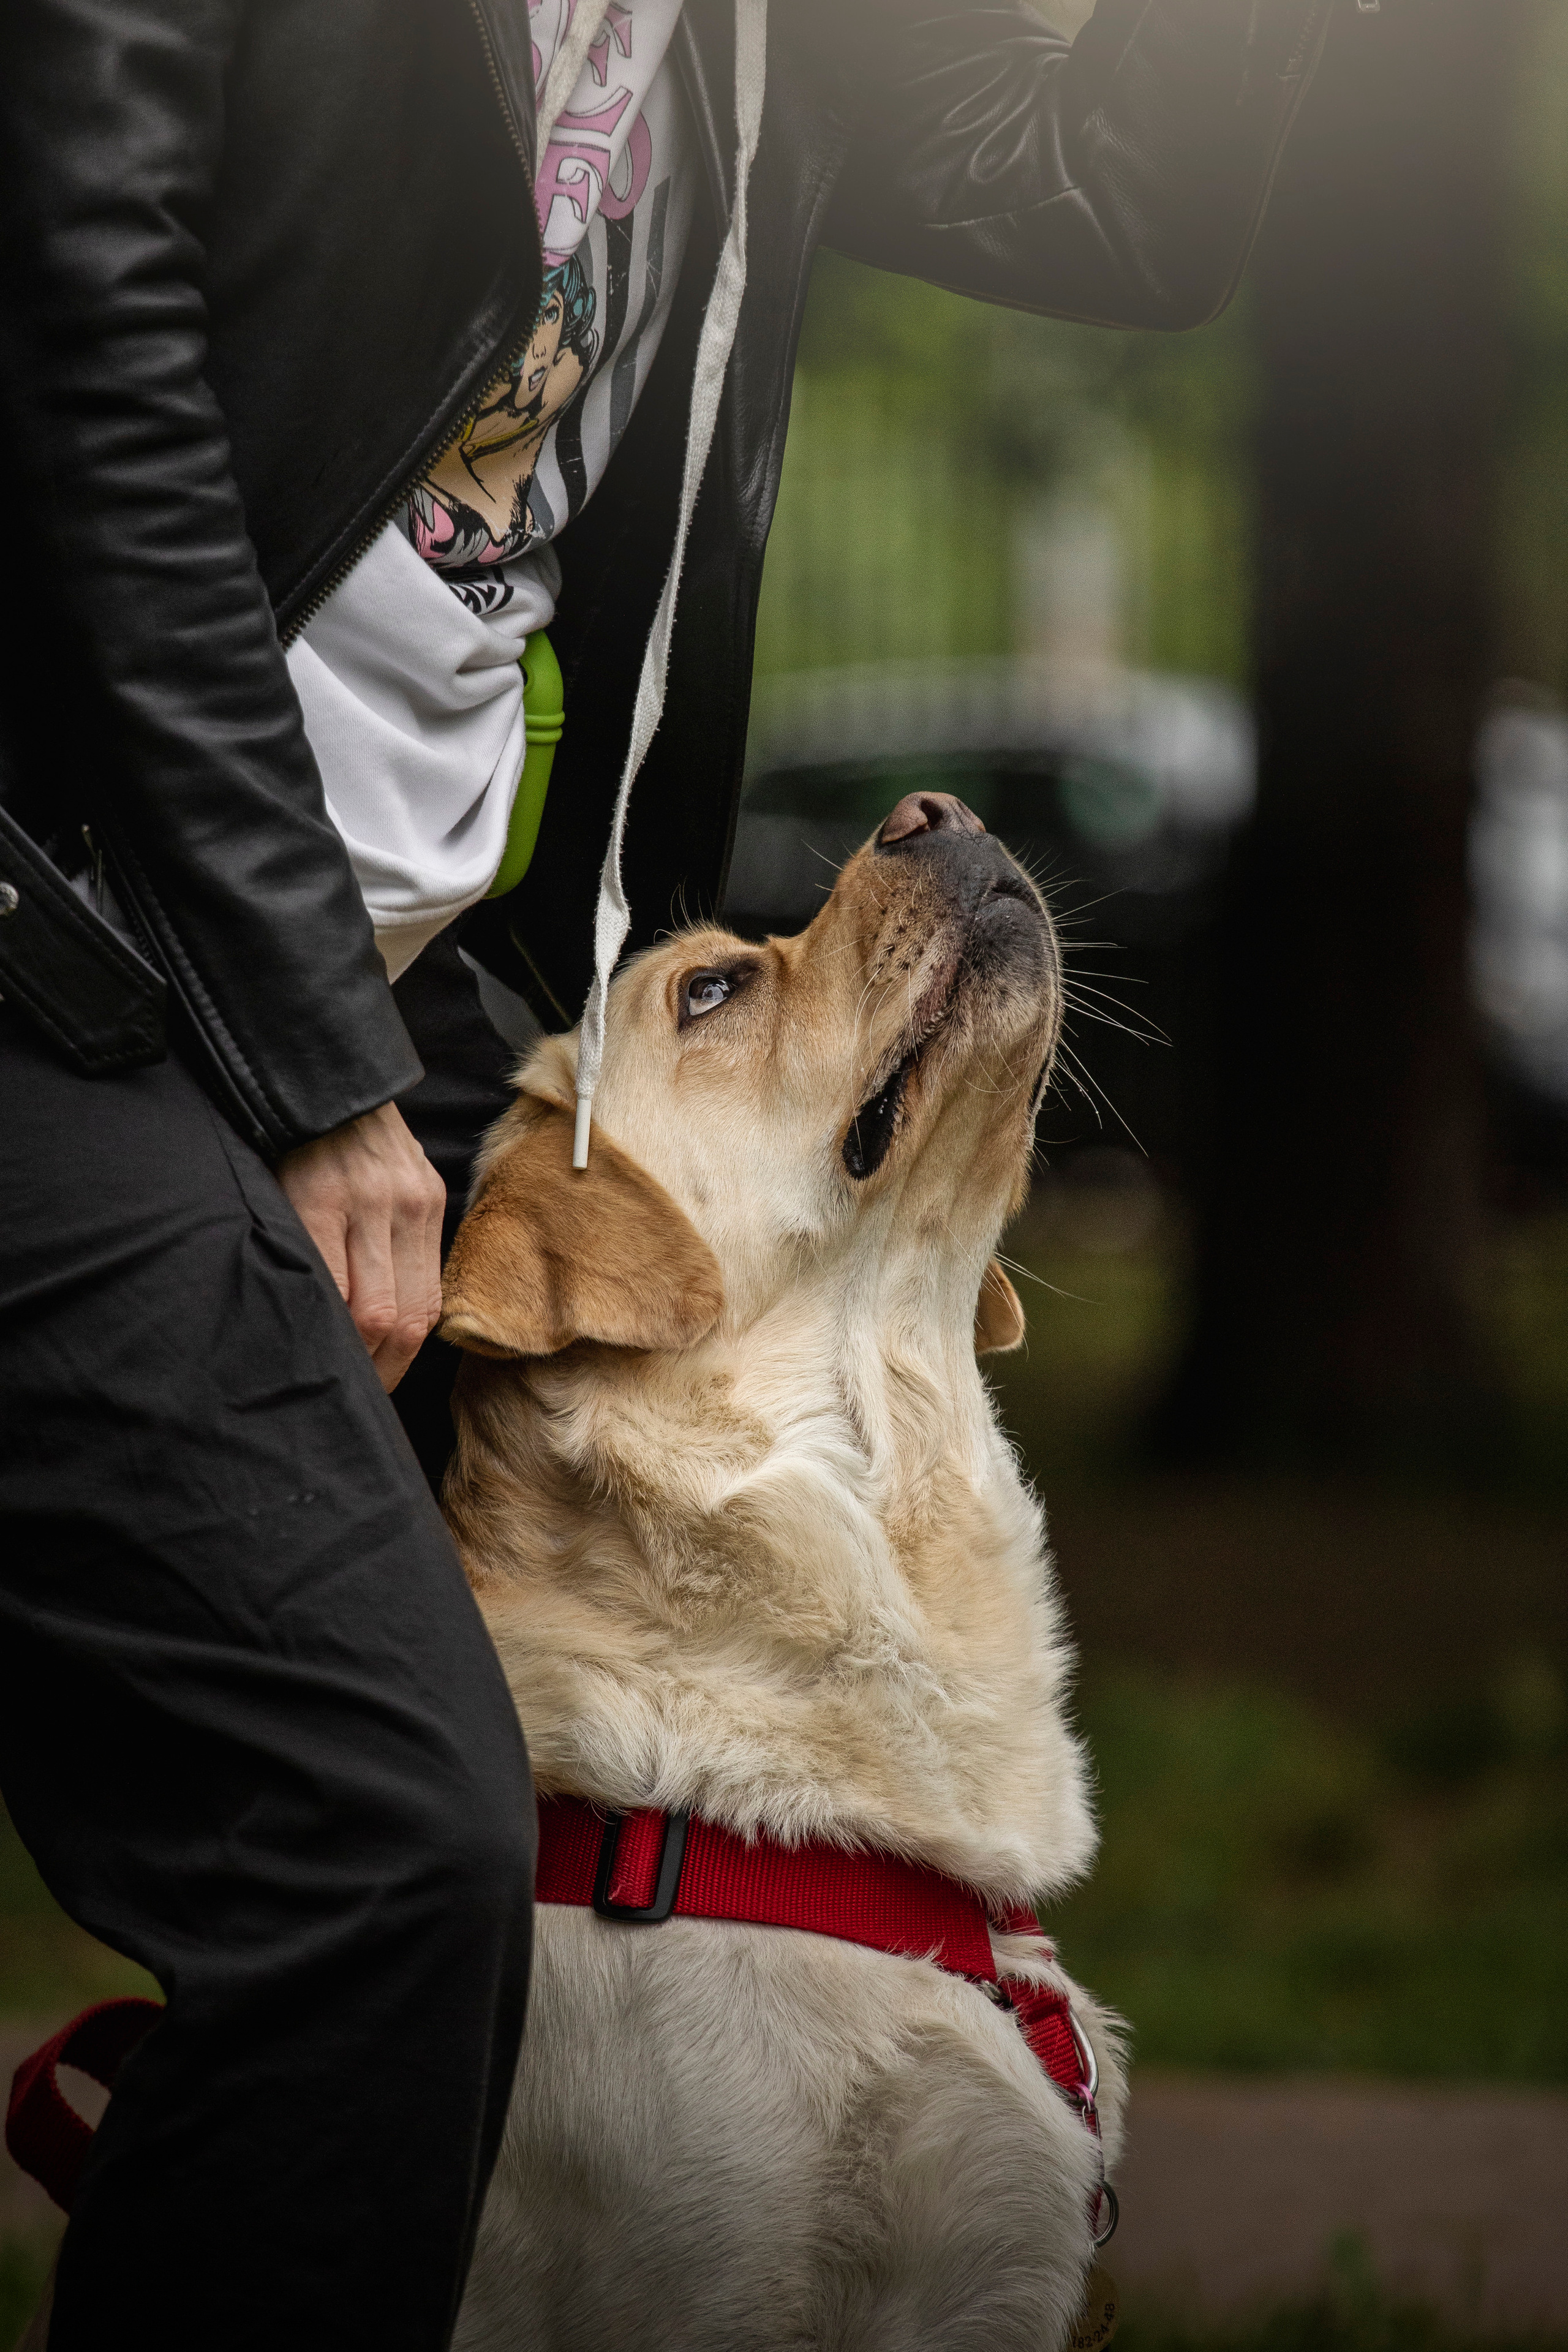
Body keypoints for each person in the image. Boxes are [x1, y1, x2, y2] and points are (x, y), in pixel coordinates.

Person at [0, 0, 1330, 2343]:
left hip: (424, 1011)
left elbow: (1119, 194)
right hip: (69, 939)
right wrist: (316, 1075)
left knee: (475, 1889)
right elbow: (77, 340)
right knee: (372, 1850)